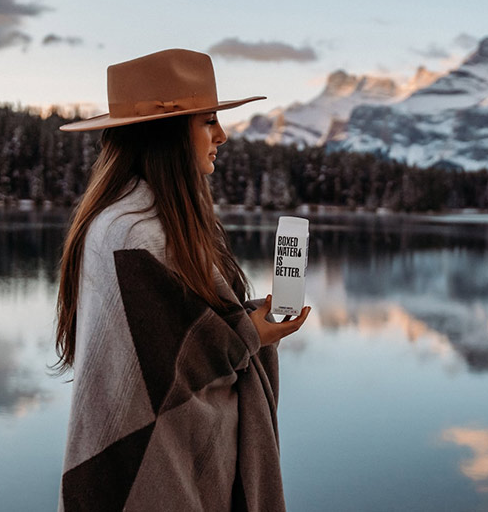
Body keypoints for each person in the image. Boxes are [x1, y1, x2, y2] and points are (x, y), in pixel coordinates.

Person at [54, 48, 310, 511]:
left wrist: (247, 324)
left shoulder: (133, 222)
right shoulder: (136, 234)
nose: (222, 135)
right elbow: (173, 367)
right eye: (208, 121)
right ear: (168, 134)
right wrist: (251, 334)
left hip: (163, 456)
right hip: (150, 468)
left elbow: (177, 338)